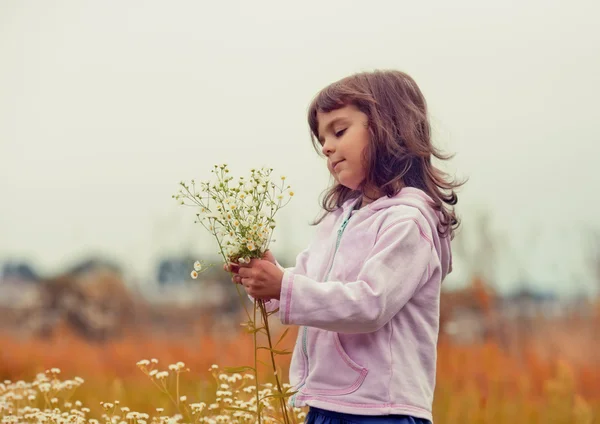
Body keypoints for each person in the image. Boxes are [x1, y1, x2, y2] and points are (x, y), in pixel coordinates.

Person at [227, 70, 463, 424]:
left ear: (388, 129)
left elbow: (370, 303)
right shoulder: (339, 217)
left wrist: (284, 286)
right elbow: (312, 284)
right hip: (328, 403)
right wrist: (268, 282)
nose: (327, 146)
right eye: (322, 138)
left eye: (339, 131)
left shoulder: (408, 221)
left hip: (381, 408)